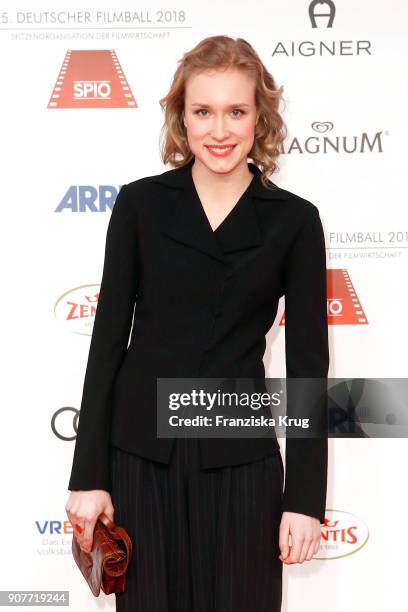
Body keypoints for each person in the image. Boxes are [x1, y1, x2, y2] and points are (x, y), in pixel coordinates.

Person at [65, 35, 329, 612]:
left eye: (236, 111)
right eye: (202, 111)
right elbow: (107, 344)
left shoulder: (295, 221)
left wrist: (305, 498)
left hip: (242, 461)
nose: (220, 130)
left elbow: (309, 366)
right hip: (140, 459)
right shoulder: (140, 206)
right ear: (181, 119)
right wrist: (88, 475)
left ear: (259, 115)